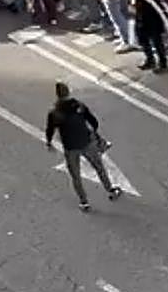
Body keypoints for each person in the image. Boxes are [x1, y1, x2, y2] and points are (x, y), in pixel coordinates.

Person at [44, 81, 123, 211]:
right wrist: (94, 134)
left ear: (57, 95)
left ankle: (84, 202)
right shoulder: (79, 106)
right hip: (86, 142)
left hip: (70, 147)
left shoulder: (54, 113)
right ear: (68, 92)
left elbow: (50, 130)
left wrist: (49, 142)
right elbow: (93, 121)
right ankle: (110, 190)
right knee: (99, 168)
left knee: (76, 176)